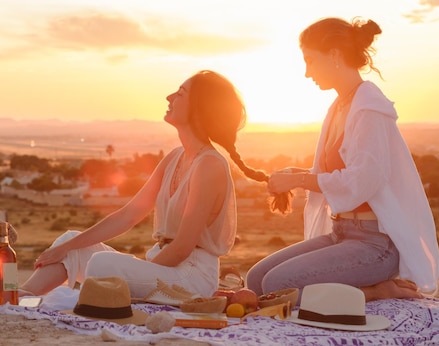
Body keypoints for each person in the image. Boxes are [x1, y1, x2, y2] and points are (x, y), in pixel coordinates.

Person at [19, 70, 273, 299]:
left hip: (191, 277)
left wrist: (144, 270)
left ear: (199, 108)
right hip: (164, 264)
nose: (169, 96)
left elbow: (183, 248)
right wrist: (64, 248)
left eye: (181, 93)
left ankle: (42, 298)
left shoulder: (210, 165)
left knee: (102, 265)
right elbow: (127, 216)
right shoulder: (174, 157)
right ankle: (20, 299)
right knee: (71, 241)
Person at [246, 17, 439, 301]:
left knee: (278, 285)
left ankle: (374, 291)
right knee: (256, 280)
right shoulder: (339, 106)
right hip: (342, 232)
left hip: (376, 245)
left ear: (335, 56)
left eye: (311, 61)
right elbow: (340, 175)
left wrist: (299, 179)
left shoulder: (369, 108)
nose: (306, 73)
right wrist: (294, 175)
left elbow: (364, 180)